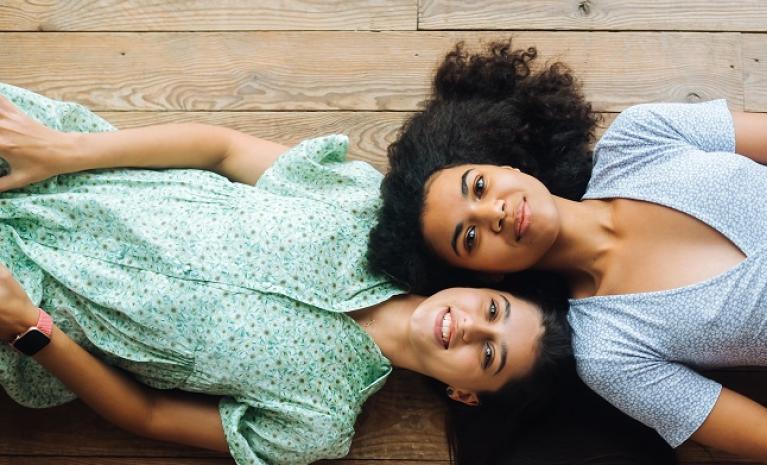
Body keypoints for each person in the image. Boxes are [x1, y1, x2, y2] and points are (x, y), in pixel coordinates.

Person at [367, 40, 767, 464]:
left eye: (478, 185)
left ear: (504, 164)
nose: (491, 211)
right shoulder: (610, 350)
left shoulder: (642, 137)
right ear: (483, 276)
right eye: (469, 238)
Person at [0, 82, 588, 465]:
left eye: (488, 356)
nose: (468, 329)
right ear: (485, 286)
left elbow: (145, 415)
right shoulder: (360, 205)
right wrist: (62, 150)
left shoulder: (314, 425)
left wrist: (31, 327)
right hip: (57, 168)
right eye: (492, 312)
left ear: (465, 394)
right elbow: (221, 150)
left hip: (26, 299)